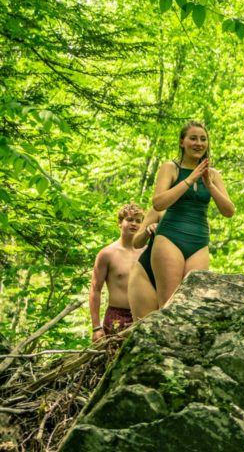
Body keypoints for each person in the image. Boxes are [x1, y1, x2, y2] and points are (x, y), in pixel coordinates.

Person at [151, 121, 234, 307]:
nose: (199, 143)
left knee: (192, 303)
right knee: (169, 304)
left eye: (203, 139)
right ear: (182, 142)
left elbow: (229, 211)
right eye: (193, 138)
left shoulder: (213, 174)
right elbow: (158, 203)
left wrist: (210, 185)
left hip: (199, 240)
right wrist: (190, 179)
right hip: (170, 237)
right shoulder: (170, 168)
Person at [90, 203, 144, 341]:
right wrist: (96, 327)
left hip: (144, 314)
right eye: (130, 219)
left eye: (138, 221)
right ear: (120, 222)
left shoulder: (147, 252)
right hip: (116, 316)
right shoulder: (107, 254)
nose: (134, 224)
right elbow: (95, 289)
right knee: (112, 360)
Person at [127, 207, 164, 320]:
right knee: (144, 325)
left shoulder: (200, 215)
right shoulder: (159, 209)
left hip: (177, 274)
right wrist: (148, 230)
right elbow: (136, 243)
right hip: (146, 272)